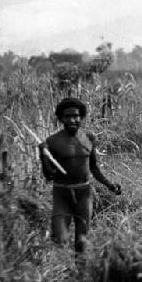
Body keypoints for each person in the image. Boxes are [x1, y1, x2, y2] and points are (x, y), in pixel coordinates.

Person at [39, 98, 121, 259]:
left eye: (76, 116)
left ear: (81, 117)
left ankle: (80, 276)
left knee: (82, 243)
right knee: (60, 239)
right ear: (61, 118)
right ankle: (62, 274)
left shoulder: (89, 138)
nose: (72, 120)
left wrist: (110, 185)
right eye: (67, 116)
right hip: (61, 195)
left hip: (84, 194)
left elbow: (94, 168)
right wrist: (44, 157)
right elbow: (49, 176)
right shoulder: (52, 142)